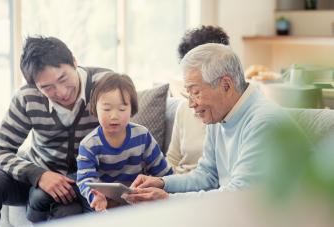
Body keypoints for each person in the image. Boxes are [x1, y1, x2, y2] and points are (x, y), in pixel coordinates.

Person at [122, 43, 300, 203]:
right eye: (189, 94)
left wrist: (168, 200)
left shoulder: (262, 122)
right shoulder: (220, 116)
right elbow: (207, 176)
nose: (191, 103)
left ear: (226, 85)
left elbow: (238, 196)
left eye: (196, 92)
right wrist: (162, 183)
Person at [0, 36, 111, 225]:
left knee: (66, 210)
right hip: (38, 178)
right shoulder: (27, 98)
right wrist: (38, 175)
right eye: (47, 88)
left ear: (74, 61)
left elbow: (129, 136)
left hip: (90, 181)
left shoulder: (105, 85)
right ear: (35, 86)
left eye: (63, 78)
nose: (62, 92)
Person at [76, 73, 172, 211]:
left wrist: (169, 191)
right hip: (107, 202)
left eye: (122, 109)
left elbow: (163, 172)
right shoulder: (89, 144)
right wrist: (95, 197)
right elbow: (85, 179)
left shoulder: (142, 135)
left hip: (138, 198)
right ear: (95, 108)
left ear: (131, 109)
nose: (114, 116)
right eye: (107, 109)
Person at [166, 25, 230, 174]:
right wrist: (163, 184)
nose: (191, 102)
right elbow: (172, 160)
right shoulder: (184, 109)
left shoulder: (234, 116)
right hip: (179, 187)